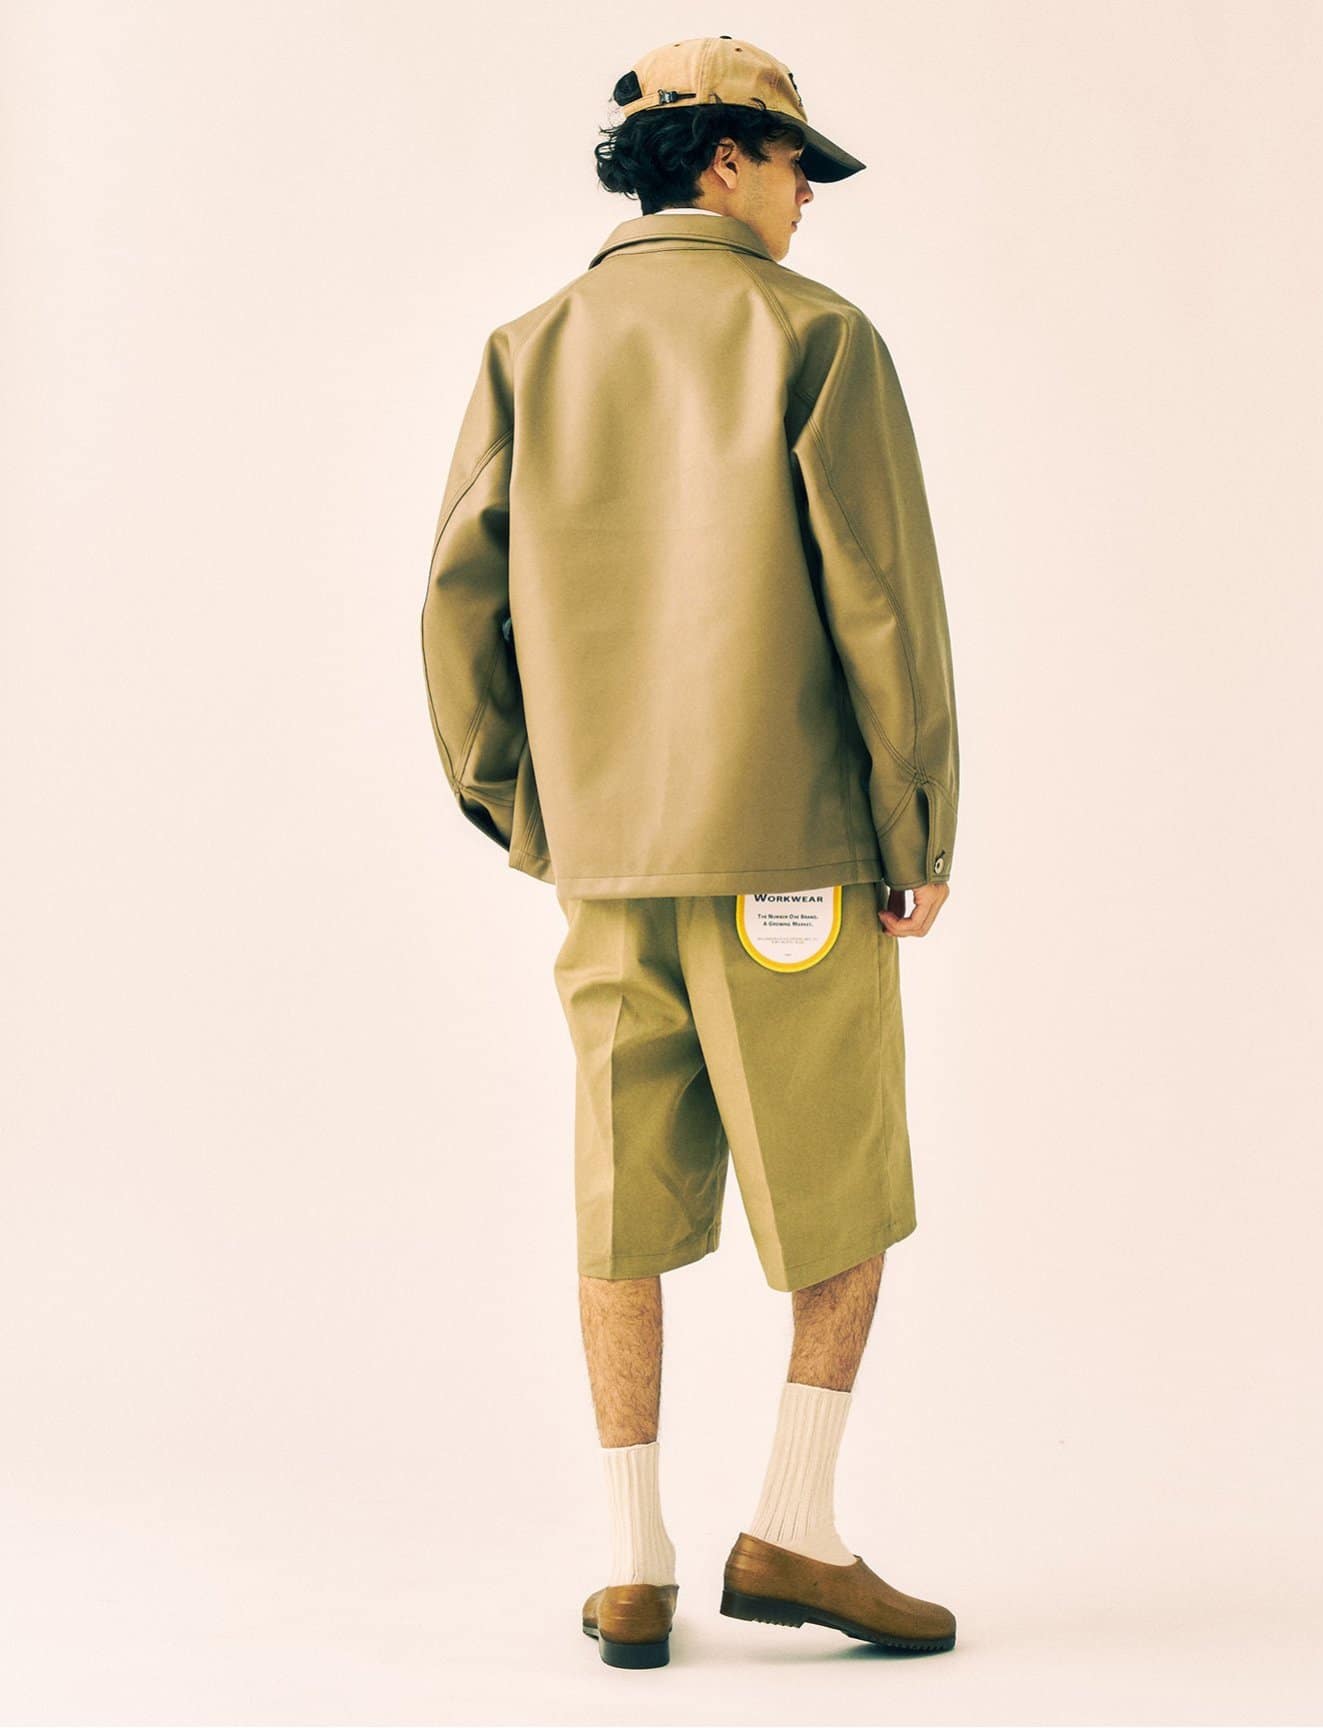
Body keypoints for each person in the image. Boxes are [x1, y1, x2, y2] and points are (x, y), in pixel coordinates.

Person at [420, 35, 961, 1669]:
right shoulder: (815, 338)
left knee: (621, 1195)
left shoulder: (529, 349)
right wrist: (917, 823)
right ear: (723, 159)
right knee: (842, 1187)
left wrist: (522, 802)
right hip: (794, 849)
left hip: (604, 859)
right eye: (796, 163)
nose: (809, 196)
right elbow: (883, 603)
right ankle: (795, 1530)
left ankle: (633, 1564)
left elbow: (456, 606)